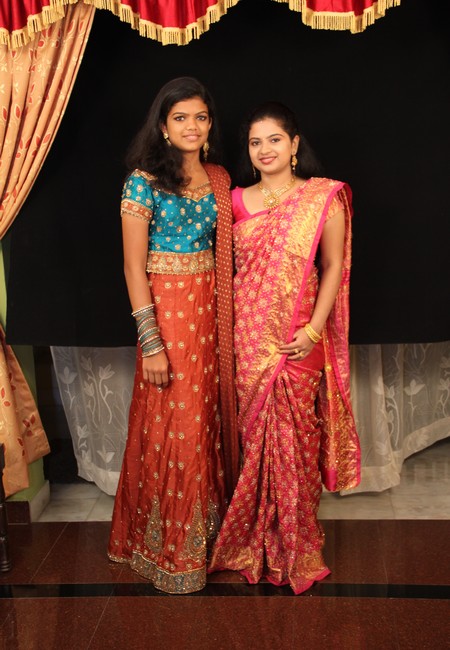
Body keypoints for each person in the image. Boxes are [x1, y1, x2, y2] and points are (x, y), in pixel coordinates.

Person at [209, 102, 361, 595]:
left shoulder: (321, 198)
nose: (265, 149)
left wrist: (314, 330)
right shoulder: (234, 201)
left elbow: (333, 266)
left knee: (297, 443)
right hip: (248, 342)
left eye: (274, 139)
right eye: (255, 142)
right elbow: (226, 274)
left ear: (294, 144)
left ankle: (297, 547)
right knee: (255, 442)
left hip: (299, 339)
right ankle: (252, 542)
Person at [108, 77, 238, 594]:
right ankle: (170, 548)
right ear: (163, 126)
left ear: (210, 125)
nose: (192, 126)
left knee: (205, 421)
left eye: (200, 117)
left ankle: (210, 541)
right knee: (173, 424)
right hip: (167, 316)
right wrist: (151, 342)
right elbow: (132, 267)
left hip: (211, 314)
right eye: (180, 117)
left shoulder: (219, 177)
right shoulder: (142, 182)